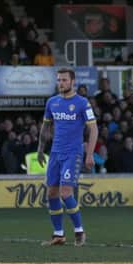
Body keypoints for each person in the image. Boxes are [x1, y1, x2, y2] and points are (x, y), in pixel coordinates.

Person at [37, 67, 98, 247]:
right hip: (55, 153)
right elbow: (45, 127)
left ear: (72, 82)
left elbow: (93, 129)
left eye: (64, 80)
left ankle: (79, 231)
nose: (61, 83)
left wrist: (89, 154)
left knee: (65, 192)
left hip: (73, 153)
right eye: (59, 80)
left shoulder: (82, 103)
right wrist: (40, 149)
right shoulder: (52, 102)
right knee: (52, 193)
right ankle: (59, 235)